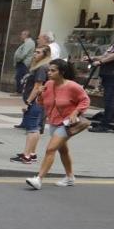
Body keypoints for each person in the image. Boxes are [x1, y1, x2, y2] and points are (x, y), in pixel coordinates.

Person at [26, 59, 90, 190]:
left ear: (62, 72)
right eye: (48, 70)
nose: (49, 73)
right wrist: (39, 94)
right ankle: (70, 177)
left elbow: (85, 100)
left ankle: (39, 179)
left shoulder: (72, 86)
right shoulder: (48, 84)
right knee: (63, 150)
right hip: (53, 122)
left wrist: (75, 112)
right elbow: (41, 104)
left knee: (50, 149)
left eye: (53, 70)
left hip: (66, 124)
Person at [10, 44, 53, 165]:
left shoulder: (41, 68)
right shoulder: (43, 66)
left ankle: (26, 156)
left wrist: (28, 102)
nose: (35, 54)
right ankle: (32, 154)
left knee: (32, 129)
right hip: (40, 101)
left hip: (36, 101)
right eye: (35, 52)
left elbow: (37, 87)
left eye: (38, 52)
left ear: (45, 55)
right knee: (36, 128)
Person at [13, 30, 36, 94]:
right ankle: (19, 90)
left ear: (26, 35)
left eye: (22, 34)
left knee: (20, 77)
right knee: (19, 76)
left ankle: (19, 91)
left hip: (23, 63)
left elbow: (24, 53)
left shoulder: (29, 42)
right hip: (22, 62)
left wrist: (18, 59)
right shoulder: (26, 42)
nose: (21, 36)